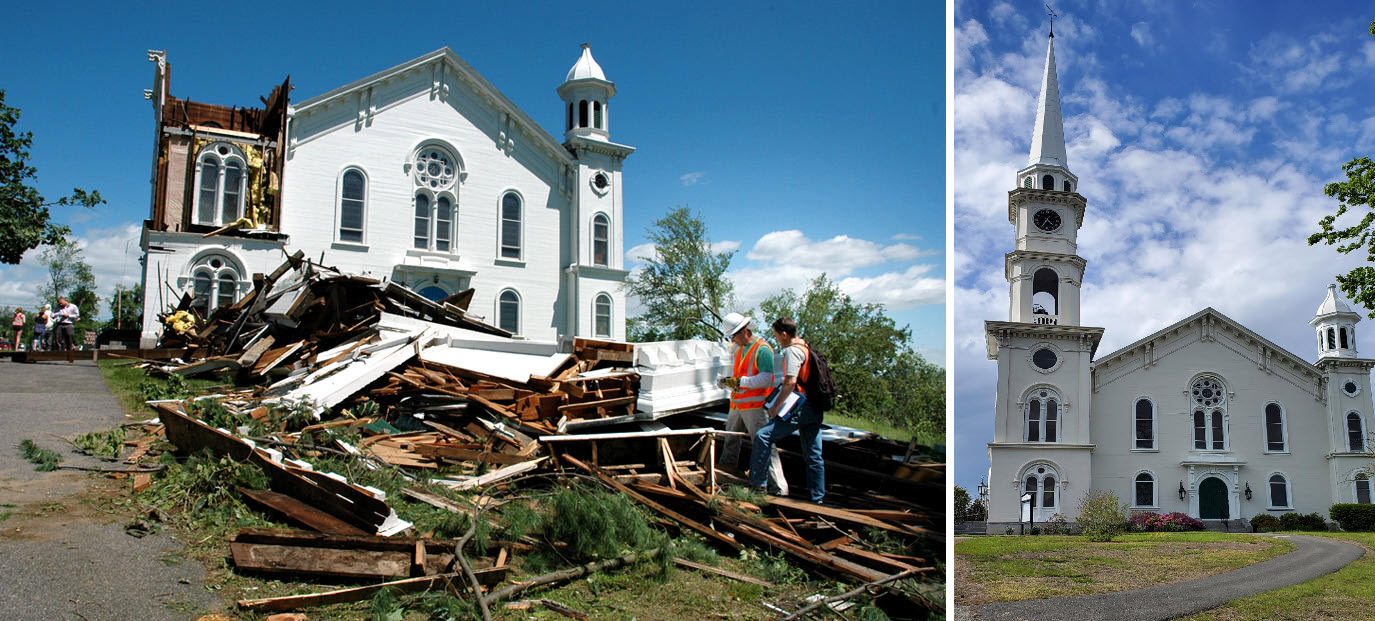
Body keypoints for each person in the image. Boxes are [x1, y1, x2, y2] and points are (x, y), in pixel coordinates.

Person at [749, 317, 825, 503]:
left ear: (784, 334)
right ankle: (818, 498)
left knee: (763, 436)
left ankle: (758, 485)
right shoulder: (807, 348)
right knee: (814, 455)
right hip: (815, 407)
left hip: (800, 407)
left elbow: (791, 382)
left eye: (776, 336)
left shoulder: (792, 351)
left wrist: (776, 407)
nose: (777, 340)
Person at [714, 312, 790, 496]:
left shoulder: (762, 349)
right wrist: (728, 382)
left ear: (745, 331)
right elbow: (742, 378)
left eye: (734, 335)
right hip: (737, 405)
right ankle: (725, 477)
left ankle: (779, 489)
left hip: (755, 407)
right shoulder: (740, 350)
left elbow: (766, 378)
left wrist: (740, 382)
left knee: (764, 445)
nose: (733, 339)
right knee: (730, 441)